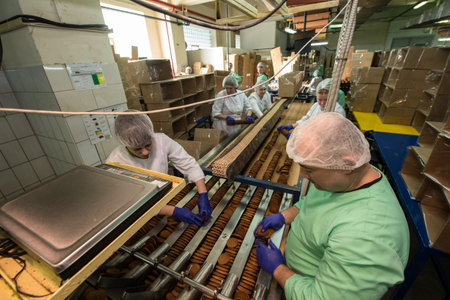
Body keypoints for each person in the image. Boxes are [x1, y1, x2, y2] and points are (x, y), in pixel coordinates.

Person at [255, 113, 410, 300]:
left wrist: (278, 269)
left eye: (310, 169)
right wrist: (286, 215)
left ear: (346, 164)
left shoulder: (366, 236)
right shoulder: (349, 178)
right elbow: (315, 201)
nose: (302, 175)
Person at [107, 111, 211, 227]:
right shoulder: (115, 162)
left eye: (148, 145)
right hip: (142, 213)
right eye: (137, 149)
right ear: (126, 144)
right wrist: (173, 211)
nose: (145, 152)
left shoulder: (161, 140)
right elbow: (128, 202)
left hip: (165, 198)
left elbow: (188, 163)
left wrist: (203, 194)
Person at [277, 78, 346, 139]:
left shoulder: (338, 112)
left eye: (326, 100)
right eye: (320, 99)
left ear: (333, 97)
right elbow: (307, 118)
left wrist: (300, 138)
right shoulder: (316, 105)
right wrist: (292, 126)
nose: (322, 103)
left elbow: (327, 135)